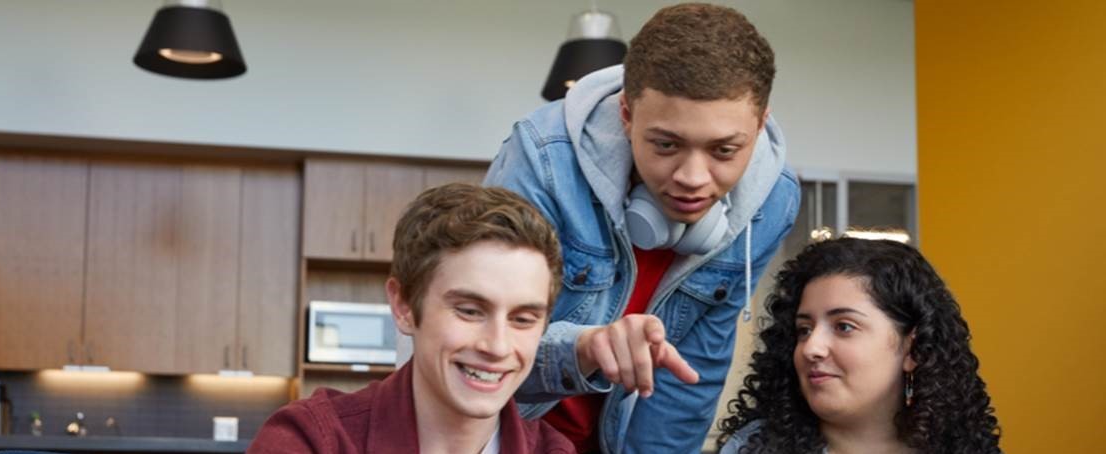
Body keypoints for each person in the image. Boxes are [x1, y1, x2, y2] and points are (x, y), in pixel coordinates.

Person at [484, 3, 799, 453]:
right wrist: (585, 348)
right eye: (666, 145)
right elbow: (485, 339)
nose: (693, 177)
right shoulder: (542, 160)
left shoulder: (771, 202)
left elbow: (691, 377)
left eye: (724, 151)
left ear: (761, 122)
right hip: (503, 433)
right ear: (627, 114)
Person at [248, 183, 575, 454]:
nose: (498, 346)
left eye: (523, 319)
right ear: (403, 305)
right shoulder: (309, 440)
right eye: (469, 311)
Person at [716, 238, 1002, 454]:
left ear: (913, 349)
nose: (811, 348)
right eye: (804, 330)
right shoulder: (752, 448)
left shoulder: (962, 447)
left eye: (844, 326)